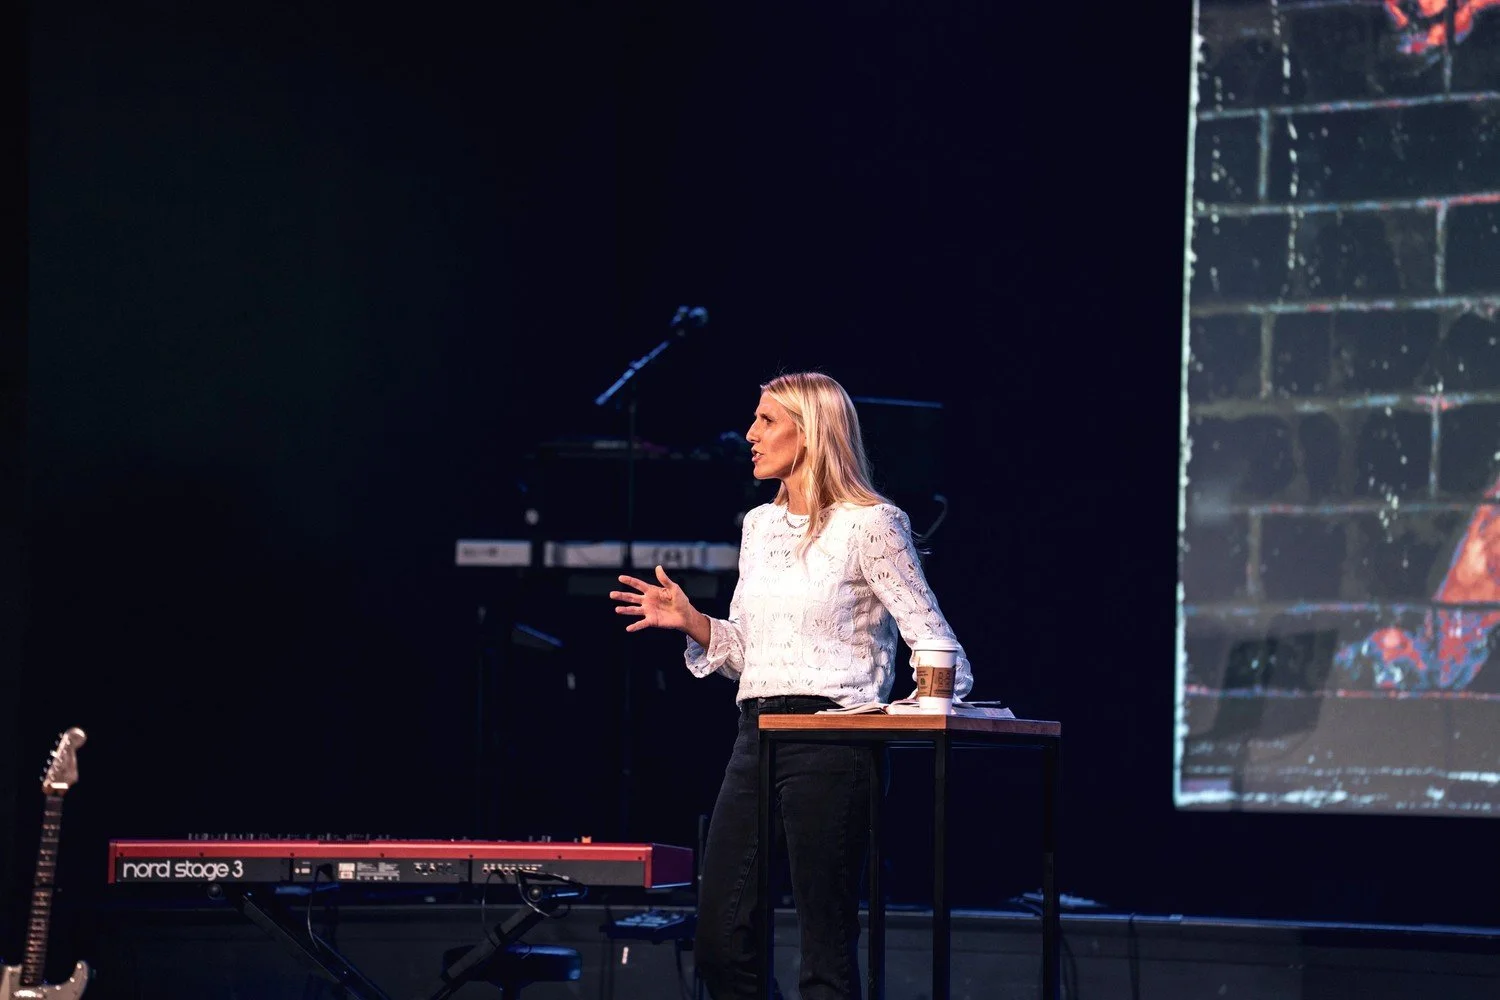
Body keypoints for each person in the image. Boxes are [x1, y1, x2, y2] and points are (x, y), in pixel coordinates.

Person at [609, 371, 973, 1000]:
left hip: (834, 742)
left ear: (810, 434)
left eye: (765, 421)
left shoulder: (872, 524)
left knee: (824, 952)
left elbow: (939, 645)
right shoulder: (759, 526)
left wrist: (915, 701)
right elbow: (751, 653)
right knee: (721, 940)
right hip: (757, 737)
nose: (750, 435)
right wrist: (695, 623)